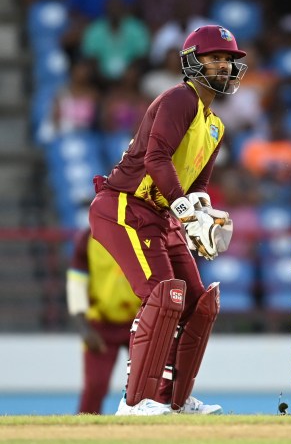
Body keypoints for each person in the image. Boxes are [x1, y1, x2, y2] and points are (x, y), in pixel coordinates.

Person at [88, 24, 246, 415]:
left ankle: (172, 399)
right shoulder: (180, 99)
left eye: (228, 60)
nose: (224, 67)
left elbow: (201, 185)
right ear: (193, 62)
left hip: (160, 214)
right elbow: (155, 160)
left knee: (198, 303)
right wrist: (183, 208)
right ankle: (135, 400)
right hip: (125, 205)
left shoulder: (216, 125)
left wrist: (202, 217)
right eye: (215, 59)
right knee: (164, 295)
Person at [66, 228, 141, 414]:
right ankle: (83, 434)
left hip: (141, 322)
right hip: (100, 324)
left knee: (147, 389)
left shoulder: (143, 231)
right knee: (95, 386)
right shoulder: (87, 239)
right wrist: (84, 330)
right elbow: (76, 283)